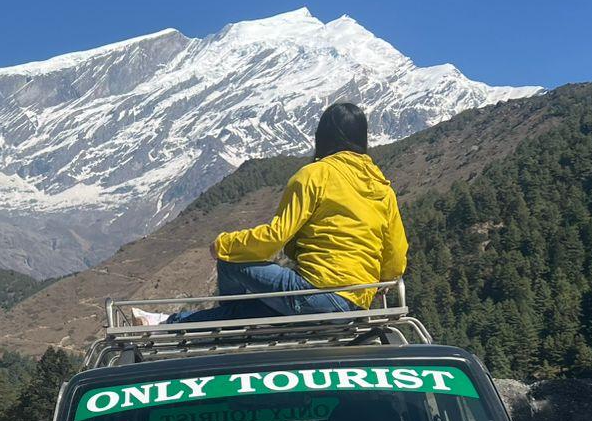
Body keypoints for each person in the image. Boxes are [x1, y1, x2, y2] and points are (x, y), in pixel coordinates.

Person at [133, 102, 408, 325]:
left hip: (317, 293)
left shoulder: (315, 175)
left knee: (230, 260)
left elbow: (275, 237)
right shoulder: (383, 187)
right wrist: (382, 281)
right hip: (356, 307)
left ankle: (231, 317)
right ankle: (166, 323)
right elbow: (395, 253)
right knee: (255, 314)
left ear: (322, 137)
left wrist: (223, 245)